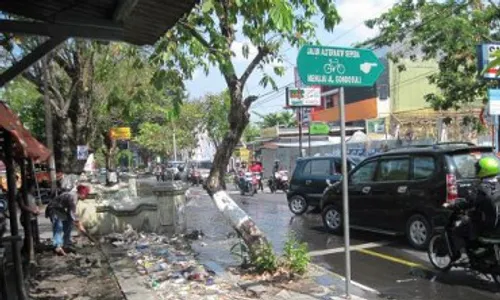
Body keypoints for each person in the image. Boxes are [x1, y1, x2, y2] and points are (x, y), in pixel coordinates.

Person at [449, 156, 500, 259]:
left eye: (478, 168)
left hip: (487, 228)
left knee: (458, 230)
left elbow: (468, 202)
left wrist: (453, 205)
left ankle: (468, 256)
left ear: (484, 170)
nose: (477, 171)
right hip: (498, 226)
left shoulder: (481, 189)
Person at [45, 184, 90, 256]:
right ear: (82, 194)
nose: (86, 197)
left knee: (69, 223)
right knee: (58, 227)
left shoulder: (75, 197)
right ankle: (58, 247)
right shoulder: (73, 197)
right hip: (53, 208)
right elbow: (72, 213)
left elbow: (70, 212)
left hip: (60, 210)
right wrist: (79, 224)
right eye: (86, 195)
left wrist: (77, 222)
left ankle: (66, 244)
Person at [16, 182, 40, 256]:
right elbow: (22, 206)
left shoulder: (31, 195)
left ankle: (31, 249)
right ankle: (25, 250)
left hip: (33, 217)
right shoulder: (21, 195)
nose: (34, 189)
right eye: (33, 187)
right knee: (29, 235)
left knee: (33, 234)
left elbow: (35, 204)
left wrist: (37, 209)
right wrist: (32, 211)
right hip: (26, 218)